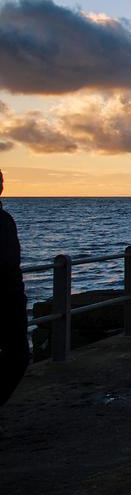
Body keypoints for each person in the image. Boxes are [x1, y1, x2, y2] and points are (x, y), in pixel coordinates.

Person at [0, 169, 29, 405]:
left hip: (12, 300)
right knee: (17, 357)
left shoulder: (5, 219)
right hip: (9, 300)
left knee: (18, 357)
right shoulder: (4, 220)